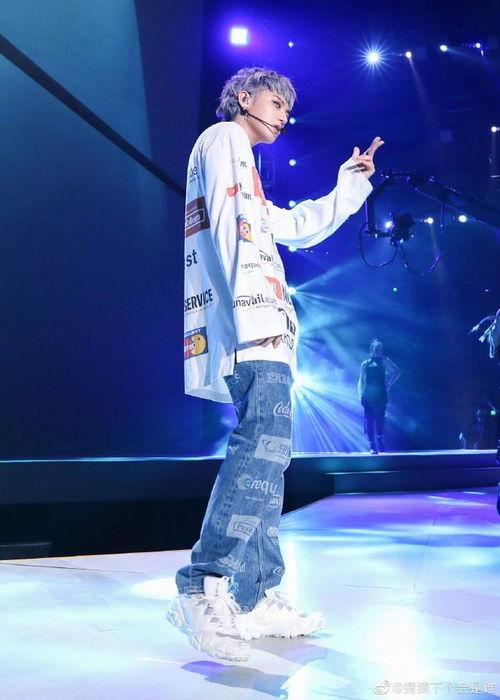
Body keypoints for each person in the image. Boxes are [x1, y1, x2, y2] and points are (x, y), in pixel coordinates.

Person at [167, 67, 384, 661]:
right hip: (251, 330)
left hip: (269, 334)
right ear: (244, 98)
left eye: (290, 106)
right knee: (259, 449)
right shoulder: (224, 140)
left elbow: (293, 227)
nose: (285, 114)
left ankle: (256, 593)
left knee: (269, 460)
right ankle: (203, 585)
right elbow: (227, 236)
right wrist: (243, 323)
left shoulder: (251, 177)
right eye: (275, 101)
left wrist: (347, 186)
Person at [358, 339, 400, 454]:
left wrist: (389, 384)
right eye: (377, 349)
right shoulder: (365, 364)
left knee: (380, 419)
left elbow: (397, 371)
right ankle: (372, 444)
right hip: (368, 395)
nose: (379, 351)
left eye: (381, 349)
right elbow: (361, 380)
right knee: (369, 419)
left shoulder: (384, 361)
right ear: (371, 350)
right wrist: (360, 394)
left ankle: (380, 440)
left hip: (381, 395)